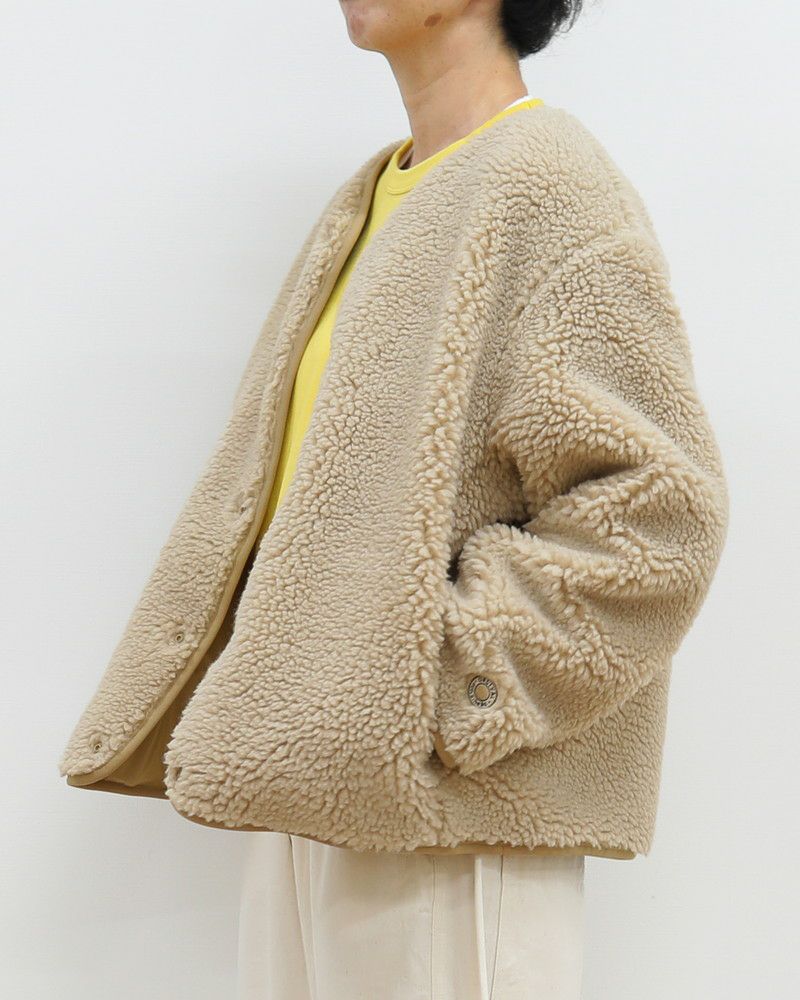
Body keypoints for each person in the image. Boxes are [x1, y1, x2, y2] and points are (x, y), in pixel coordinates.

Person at [58, 2, 729, 998]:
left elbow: (658, 515)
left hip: (450, 816)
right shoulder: (374, 195)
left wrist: (446, 694)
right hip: (312, 784)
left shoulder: (550, 187)